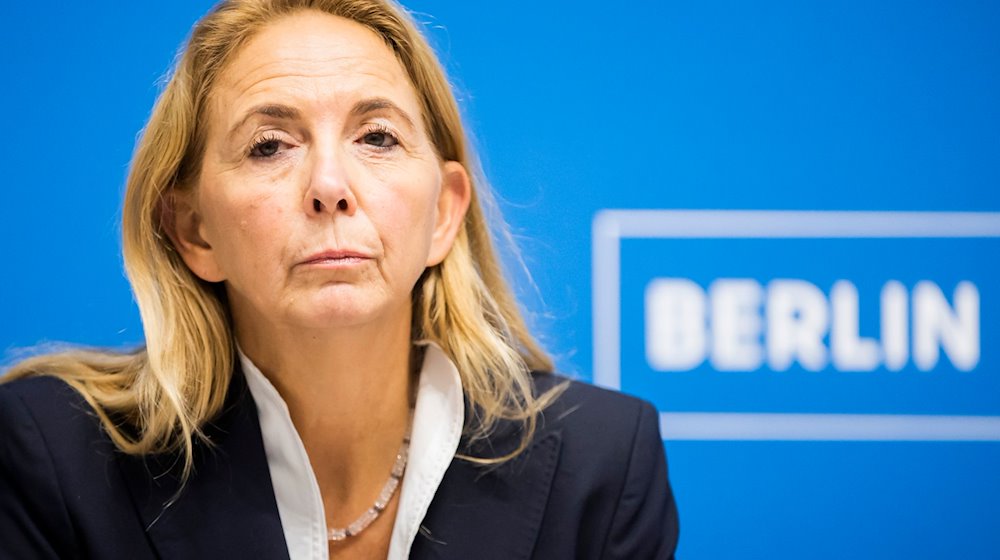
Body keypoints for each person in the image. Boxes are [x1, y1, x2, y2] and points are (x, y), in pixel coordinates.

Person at [0, 0, 679, 558]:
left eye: (376, 137)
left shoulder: (602, 464)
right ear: (194, 232)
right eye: (270, 146)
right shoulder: (56, 462)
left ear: (443, 215)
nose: (329, 186)